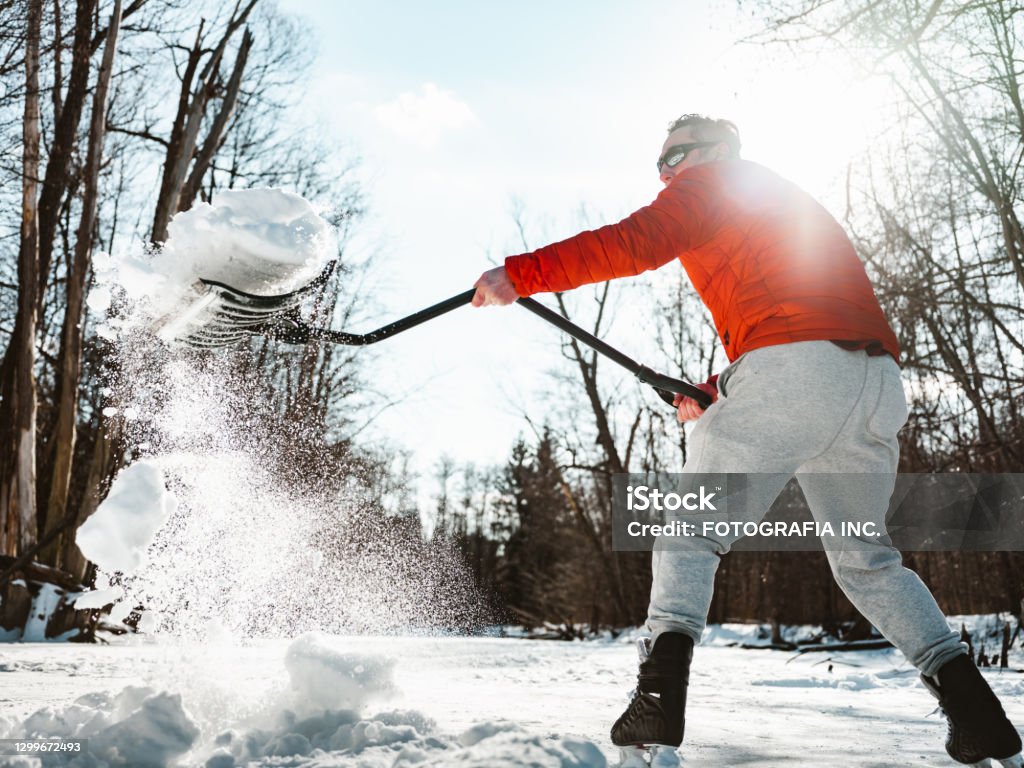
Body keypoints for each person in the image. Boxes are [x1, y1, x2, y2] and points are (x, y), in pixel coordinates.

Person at [471, 114, 1022, 766]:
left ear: (714, 152)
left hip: (795, 369)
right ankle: (976, 714)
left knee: (689, 527)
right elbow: (801, 322)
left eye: (677, 156)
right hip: (873, 381)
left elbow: (636, 241)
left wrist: (522, 274)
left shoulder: (712, 183)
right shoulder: (780, 197)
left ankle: (656, 702)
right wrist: (716, 388)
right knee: (866, 561)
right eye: (661, 164)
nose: (667, 173)